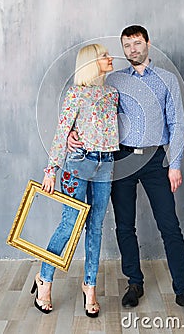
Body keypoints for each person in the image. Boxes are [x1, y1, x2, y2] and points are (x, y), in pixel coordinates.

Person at [68, 26, 184, 318]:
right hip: (121, 159)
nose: (132, 49)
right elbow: (86, 105)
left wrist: (175, 165)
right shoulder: (113, 80)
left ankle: (183, 290)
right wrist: (70, 134)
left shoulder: (167, 80)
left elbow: (177, 125)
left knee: (169, 226)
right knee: (124, 225)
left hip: (156, 160)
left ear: (147, 44)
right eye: (126, 45)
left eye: (137, 43)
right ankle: (134, 283)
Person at [31, 43, 119, 317]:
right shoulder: (75, 94)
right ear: (91, 62)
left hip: (106, 165)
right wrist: (51, 169)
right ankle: (44, 279)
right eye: (104, 56)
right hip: (78, 164)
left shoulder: (112, 94)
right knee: (69, 224)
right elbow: (62, 132)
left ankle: (89, 286)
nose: (109, 58)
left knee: (95, 227)